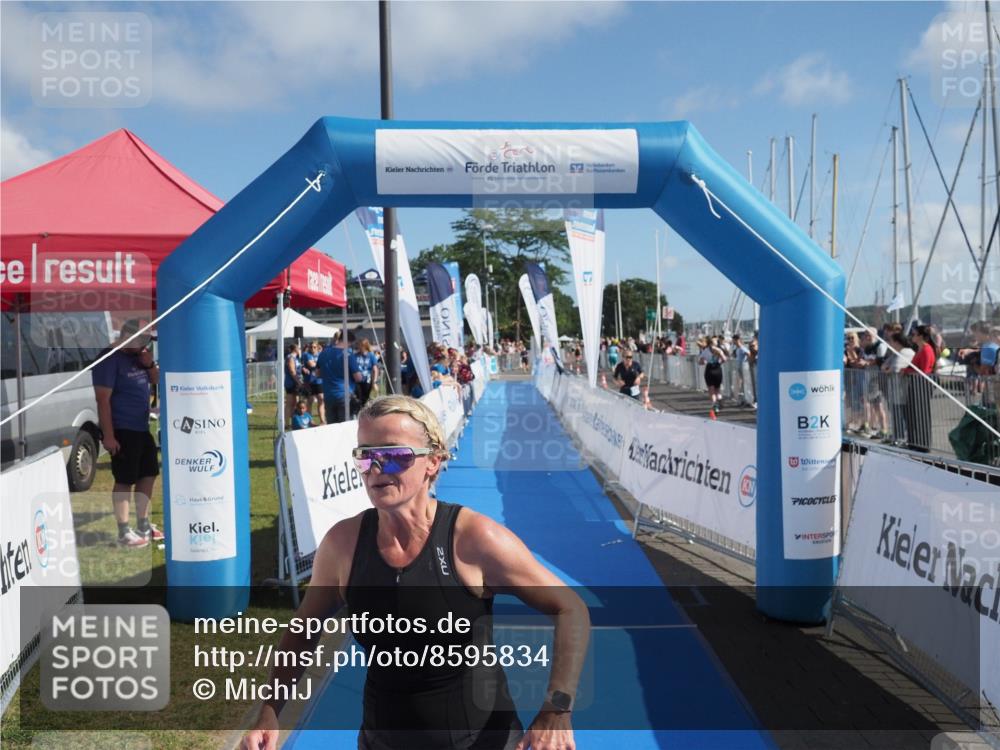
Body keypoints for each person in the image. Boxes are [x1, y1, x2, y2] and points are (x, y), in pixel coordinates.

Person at [242, 396, 589, 750]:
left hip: (482, 741)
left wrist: (557, 708)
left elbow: (570, 607)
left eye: (394, 456)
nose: (377, 468)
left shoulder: (473, 539)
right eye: (366, 455)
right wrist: (270, 711)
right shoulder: (343, 544)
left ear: (433, 463)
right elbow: (304, 629)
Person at [91, 318, 163, 548]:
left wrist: (150, 364)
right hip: (122, 428)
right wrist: (108, 435)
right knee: (124, 479)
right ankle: (123, 531)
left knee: (148, 474)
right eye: (143, 341)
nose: (146, 346)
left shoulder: (139, 356)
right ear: (129, 337)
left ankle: (143, 523)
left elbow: (156, 380)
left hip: (142, 427)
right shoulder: (109, 359)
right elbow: (103, 400)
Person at [904, 325, 937, 453]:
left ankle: (923, 444)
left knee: (921, 414)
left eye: (914, 334)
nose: (912, 336)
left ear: (921, 336)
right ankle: (915, 441)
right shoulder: (920, 349)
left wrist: (907, 371)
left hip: (922, 384)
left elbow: (924, 371)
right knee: (914, 413)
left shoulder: (927, 350)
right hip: (915, 384)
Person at [318, 331, 359, 424]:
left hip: (328, 394)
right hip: (344, 394)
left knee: (332, 427)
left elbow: (317, 373)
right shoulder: (348, 354)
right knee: (346, 427)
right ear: (348, 342)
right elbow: (358, 377)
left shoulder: (324, 353)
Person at [882, 332, 915, 445]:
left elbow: (895, 368)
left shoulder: (906, 352)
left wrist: (889, 369)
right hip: (894, 389)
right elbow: (884, 366)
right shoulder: (896, 353)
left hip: (902, 389)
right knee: (895, 415)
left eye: (890, 341)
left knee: (902, 416)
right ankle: (897, 437)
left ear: (896, 342)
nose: (889, 343)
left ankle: (903, 438)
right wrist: (888, 368)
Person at [698, 336, 727, 414]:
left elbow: (700, 362)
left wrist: (705, 362)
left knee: (711, 390)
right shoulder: (719, 350)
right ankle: (720, 400)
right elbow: (724, 359)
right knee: (717, 389)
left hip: (709, 370)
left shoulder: (705, 351)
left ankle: (715, 406)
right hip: (717, 369)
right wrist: (718, 363)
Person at [301, 341, 325, 425]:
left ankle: (322, 420)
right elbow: (312, 365)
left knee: (321, 399)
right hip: (310, 381)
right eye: (311, 347)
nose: (312, 348)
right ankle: (310, 421)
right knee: (310, 401)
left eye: (314, 347)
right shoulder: (307, 355)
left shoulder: (321, 354)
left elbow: (321, 365)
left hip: (319, 381)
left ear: (317, 347)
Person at [284, 343, 304, 429]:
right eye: (298, 348)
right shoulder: (290, 357)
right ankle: (286, 423)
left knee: (295, 403)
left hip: (295, 382)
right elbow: (292, 371)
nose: (300, 350)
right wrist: (298, 381)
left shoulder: (296, 358)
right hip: (291, 383)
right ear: (295, 349)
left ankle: (294, 422)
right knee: (289, 403)